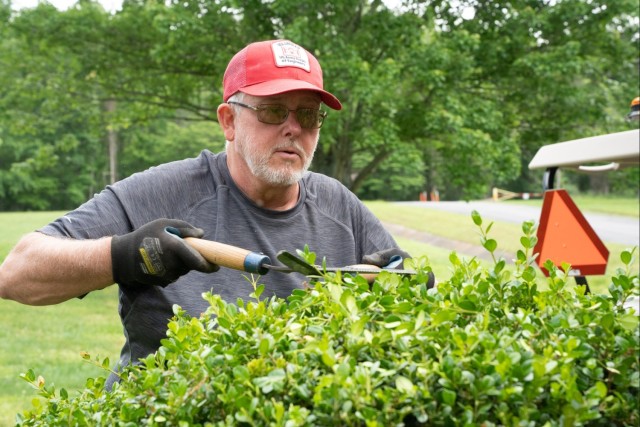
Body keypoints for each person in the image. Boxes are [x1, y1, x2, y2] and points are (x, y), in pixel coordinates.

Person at [0, 39, 411, 388]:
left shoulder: (339, 205)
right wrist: (126, 255)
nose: (293, 128)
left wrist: (408, 286)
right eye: (272, 111)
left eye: (307, 115)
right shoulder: (162, 191)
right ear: (228, 120)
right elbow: (16, 274)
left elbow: (407, 301)